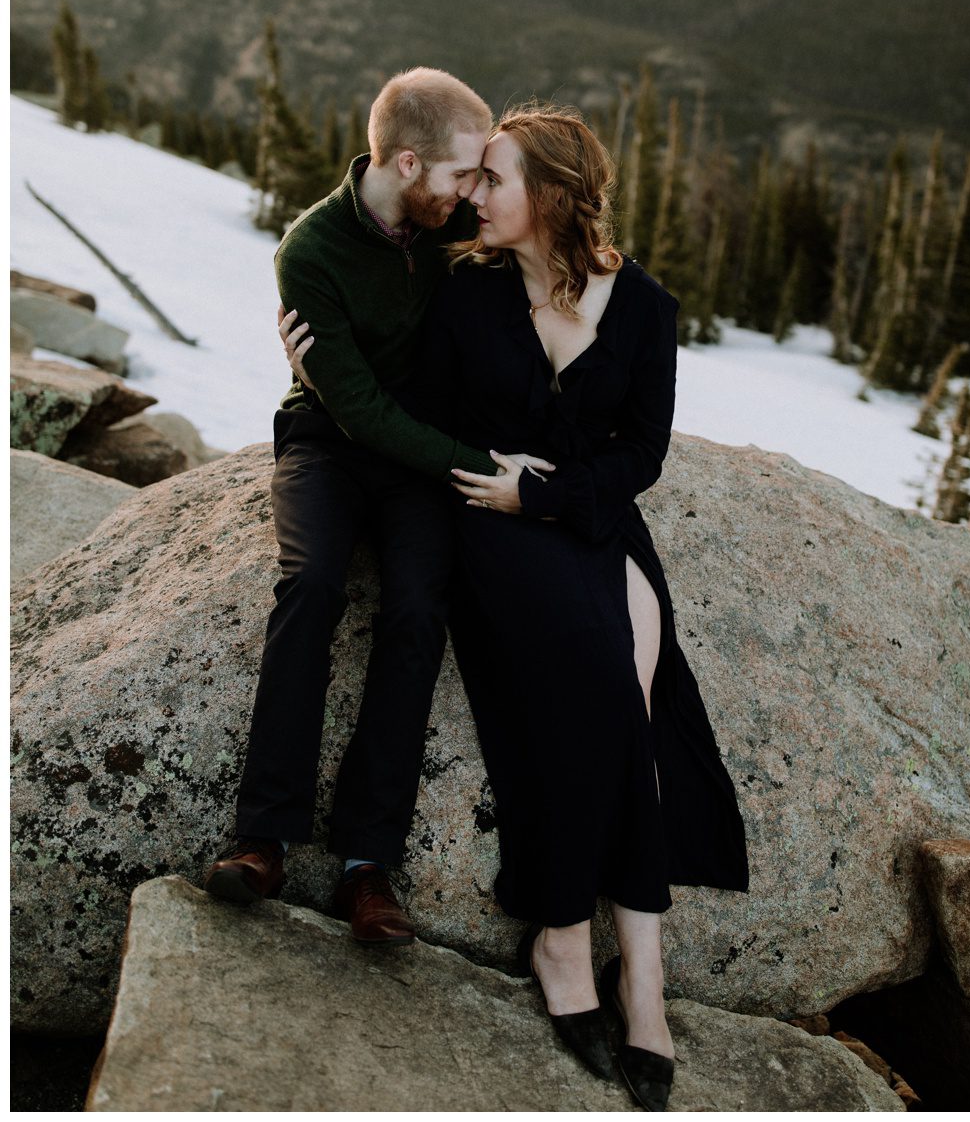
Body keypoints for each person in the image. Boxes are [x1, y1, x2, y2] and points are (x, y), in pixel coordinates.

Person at [358, 103, 746, 1110]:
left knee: (635, 685)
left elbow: (641, 455)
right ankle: (575, 940)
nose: (473, 198)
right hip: (487, 522)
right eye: (475, 179)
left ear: (556, 197)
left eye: (494, 181)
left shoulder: (644, 306)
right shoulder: (467, 294)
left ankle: (627, 961)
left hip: (583, 518)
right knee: (595, 670)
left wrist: (552, 493)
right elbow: (419, 412)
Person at [206, 67, 511, 947]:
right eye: (461, 174)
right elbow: (359, 410)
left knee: (419, 608)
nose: (471, 193)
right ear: (408, 163)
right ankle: (262, 837)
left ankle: (365, 867)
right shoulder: (310, 252)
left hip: (413, 462)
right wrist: (476, 464)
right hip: (330, 445)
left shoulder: (453, 236)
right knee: (310, 584)